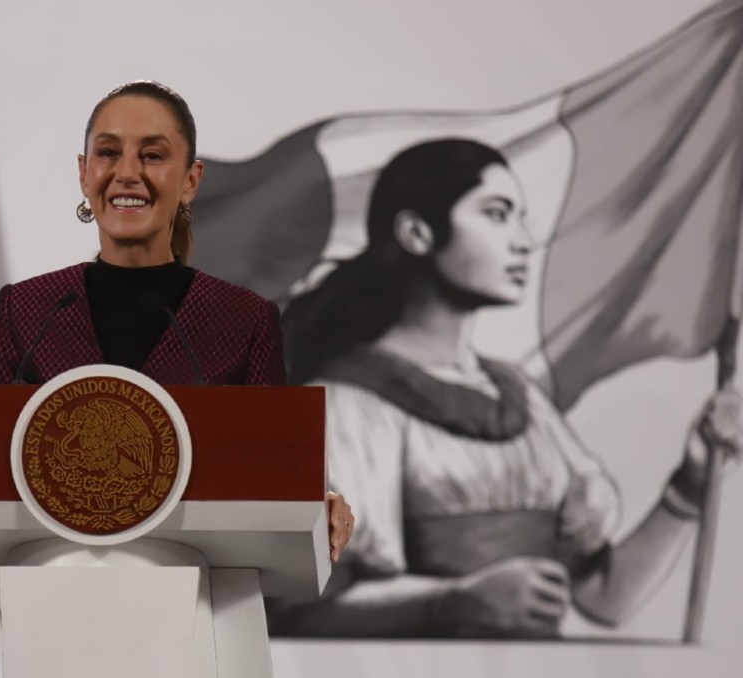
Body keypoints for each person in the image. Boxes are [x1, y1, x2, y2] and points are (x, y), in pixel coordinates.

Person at [265, 138, 741, 638]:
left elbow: (605, 599)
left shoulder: (524, 400)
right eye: (496, 214)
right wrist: (452, 602)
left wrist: (690, 485)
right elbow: (300, 608)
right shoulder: (345, 405)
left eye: (520, 218)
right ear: (417, 233)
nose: (522, 241)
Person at [0, 80, 354, 560]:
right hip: (49, 581)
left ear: (190, 180)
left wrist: (317, 501)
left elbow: (275, 472)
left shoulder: (245, 320)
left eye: (152, 156)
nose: (127, 173)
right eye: (108, 153)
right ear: (84, 173)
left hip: (195, 587)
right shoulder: (27, 310)